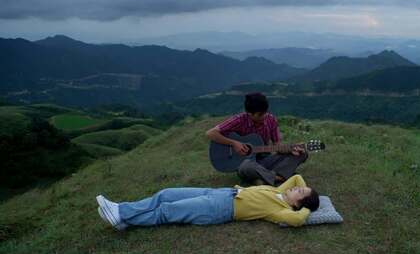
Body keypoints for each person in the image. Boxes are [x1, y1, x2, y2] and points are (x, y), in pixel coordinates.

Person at [96, 175, 319, 230]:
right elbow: (297, 176)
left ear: (298, 204)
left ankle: (121, 212)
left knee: (167, 211)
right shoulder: (279, 192)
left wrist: (308, 207)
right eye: (299, 188)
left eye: (299, 192)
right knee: (165, 194)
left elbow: (298, 220)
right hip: (220, 192)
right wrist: (306, 191)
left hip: (219, 209)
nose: (296, 187)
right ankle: (125, 219)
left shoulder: (280, 211)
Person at [206, 92, 308, 186]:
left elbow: (277, 146)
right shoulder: (239, 120)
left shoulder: (270, 119)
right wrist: (234, 143)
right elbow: (211, 133)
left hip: (265, 160)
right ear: (250, 113)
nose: (264, 116)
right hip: (247, 164)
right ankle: (279, 176)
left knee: (302, 152)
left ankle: (268, 178)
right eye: (260, 114)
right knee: (246, 166)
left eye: (265, 112)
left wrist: (291, 148)